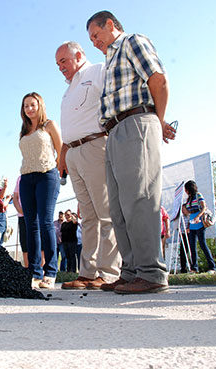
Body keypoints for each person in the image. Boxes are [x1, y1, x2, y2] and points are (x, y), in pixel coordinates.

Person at [86, 11, 176, 294]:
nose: (94, 42)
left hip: (136, 122)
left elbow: (158, 80)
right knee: (119, 206)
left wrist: (157, 122)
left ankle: (151, 273)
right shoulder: (108, 62)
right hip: (113, 131)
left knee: (140, 198)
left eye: (96, 35)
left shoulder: (131, 42)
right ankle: (131, 271)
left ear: (110, 25)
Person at [55, 40, 122, 290]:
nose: (60, 67)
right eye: (57, 63)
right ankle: (87, 273)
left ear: (79, 55)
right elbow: (68, 127)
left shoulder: (97, 71)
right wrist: (62, 157)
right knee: (88, 216)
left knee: (105, 212)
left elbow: (116, 99)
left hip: (95, 146)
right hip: (73, 152)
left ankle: (109, 273)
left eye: (64, 60)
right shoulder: (67, 89)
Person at [18, 92, 62, 289]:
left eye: (32, 105)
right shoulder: (24, 130)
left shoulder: (49, 125)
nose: (29, 109)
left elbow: (61, 151)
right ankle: (34, 272)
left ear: (40, 105)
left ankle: (50, 272)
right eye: (26, 106)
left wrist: (60, 174)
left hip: (47, 175)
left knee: (45, 222)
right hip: (27, 178)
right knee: (30, 225)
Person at [182, 180, 216, 273]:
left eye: (186, 189)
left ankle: (212, 267)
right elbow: (189, 213)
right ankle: (194, 268)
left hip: (199, 222)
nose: (185, 191)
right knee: (192, 247)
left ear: (189, 188)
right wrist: (188, 225)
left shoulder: (198, 195)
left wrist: (198, 216)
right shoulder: (188, 199)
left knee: (202, 244)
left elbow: (204, 207)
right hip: (192, 223)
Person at [13, 175, 28, 267]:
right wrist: (20, 210)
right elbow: (15, 197)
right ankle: (28, 269)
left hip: (36, 216)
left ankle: (41, 271)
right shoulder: (20, 178)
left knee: (40, 244)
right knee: (25, 243)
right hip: (23, 216)